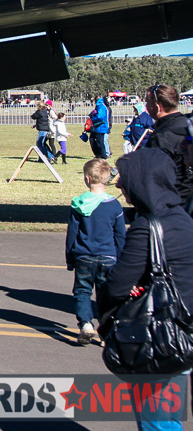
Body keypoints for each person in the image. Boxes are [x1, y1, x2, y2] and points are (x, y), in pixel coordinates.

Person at [99, 146, 193, 430]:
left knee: (158, 422)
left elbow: (116, 285)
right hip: (183, 333)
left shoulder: (149, 227)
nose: (118, 184)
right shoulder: (183, 219)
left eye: (124, 178)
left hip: (159, 337)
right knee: (171, 417)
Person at [65, 158, 125, 345]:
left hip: (83, 255)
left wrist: (70, 256)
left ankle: (85, 323)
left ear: (87, 178)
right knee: (105, 294)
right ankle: (106, 332)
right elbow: (120, 235)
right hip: (108, 256)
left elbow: (72, 233)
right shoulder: (114, 205)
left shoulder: (78, 204)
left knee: (82, 291)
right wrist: (121, 258)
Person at [144, 85, 193, 213]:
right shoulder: (188, 124)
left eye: (148, 103)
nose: (146, 107)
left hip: (171, 207)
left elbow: (152, 179)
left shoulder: (161, 137)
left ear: (158, 107)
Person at [86, 92, 112, 159]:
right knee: (92, 139)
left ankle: (103, 156)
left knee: (100, 142)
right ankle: (98, 154)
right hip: (96, 127)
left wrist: (92, 119)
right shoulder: (99, 106)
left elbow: (100, 117)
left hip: (101, 127)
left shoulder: (101, 107)